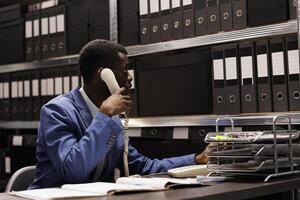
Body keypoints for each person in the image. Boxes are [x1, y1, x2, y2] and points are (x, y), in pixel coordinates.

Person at [29, 39, 208, 189]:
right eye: (124, 70)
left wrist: (196, 159)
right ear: (104, 75)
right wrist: (104, 115)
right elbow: (73, 170)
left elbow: (142, 166)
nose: (129, 77)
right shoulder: (57, 111)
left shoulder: (111, 120)